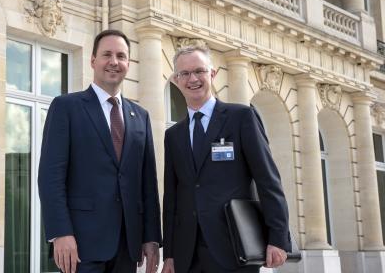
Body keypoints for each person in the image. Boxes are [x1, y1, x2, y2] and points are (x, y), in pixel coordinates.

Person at [38, 29, 162, 273]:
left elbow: (148, 184)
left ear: (128, 63)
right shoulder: (66, 107)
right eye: (107, 54)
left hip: (128, 246)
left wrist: (151, 237)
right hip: (81, 244)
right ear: (93, 60)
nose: (114, 62)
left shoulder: (141, 117)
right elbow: (50, 177)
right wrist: (60, 232)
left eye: (121, 56)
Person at [161, 45, 291, 273]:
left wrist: (278, 238)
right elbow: (172, 197)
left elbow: (268, 180)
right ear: (176, 80)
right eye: (185, 73)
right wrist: (170, 255)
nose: (193, 79)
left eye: (199, 71)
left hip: (234, 248)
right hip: (187, 255)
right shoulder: (173, 135)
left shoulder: (241, 118)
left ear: (212, 74)